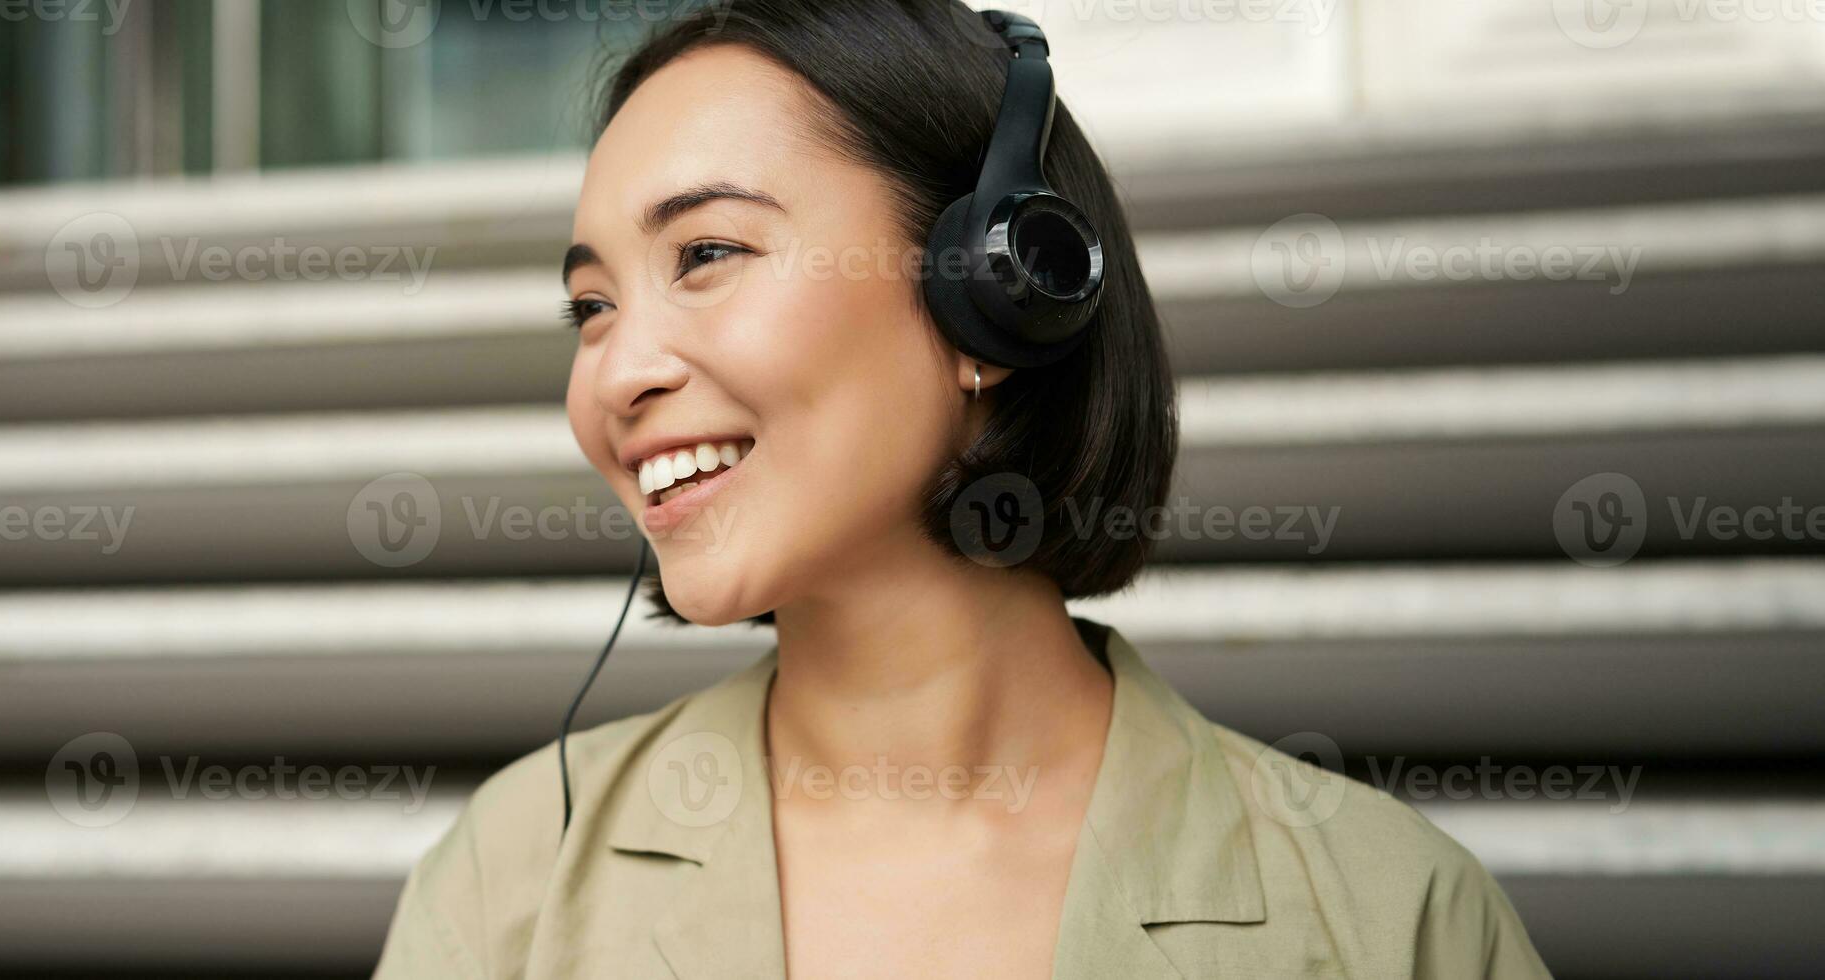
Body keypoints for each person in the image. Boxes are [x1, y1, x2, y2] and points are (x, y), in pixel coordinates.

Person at [377, 1, 1549, 976]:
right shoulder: (512, 881)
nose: (617, 373)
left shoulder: (1393, 918)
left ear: (992, 291)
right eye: (591, 308)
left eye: (706, 255)